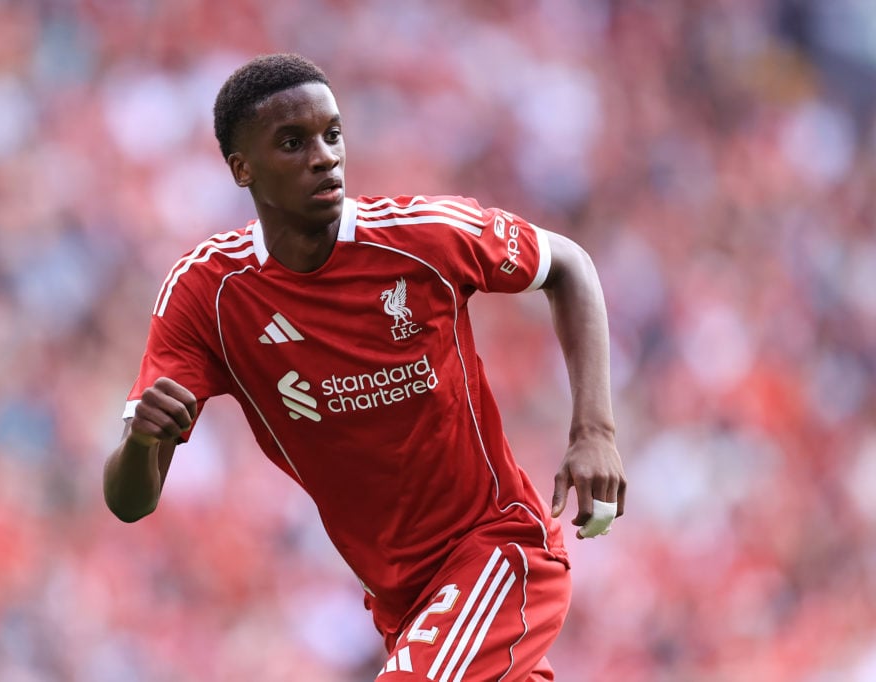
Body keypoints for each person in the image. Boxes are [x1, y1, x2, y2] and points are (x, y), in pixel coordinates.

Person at [103, 53, 626, 681]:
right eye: (292, 143)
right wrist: (141, 441)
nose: (324, 156)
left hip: (497, 550)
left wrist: (594, 431)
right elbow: (131, 502)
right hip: (403, 602)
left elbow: (568, 264)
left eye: (333, 134)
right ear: (242, 169)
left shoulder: (424, 237)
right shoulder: (208, 293)